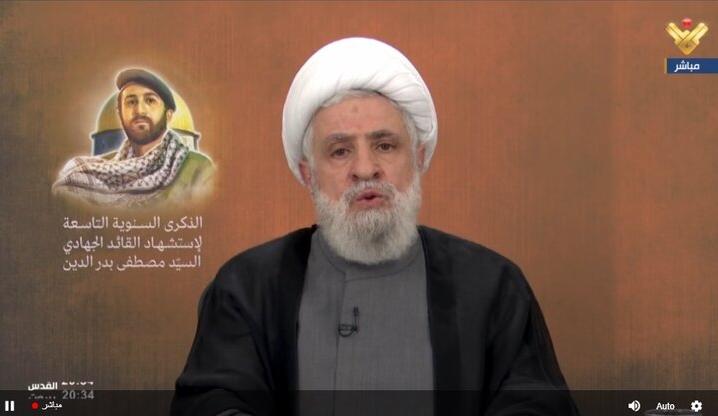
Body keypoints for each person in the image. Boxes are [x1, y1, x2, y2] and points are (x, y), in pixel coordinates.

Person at [171, 38, 579, 416]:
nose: (365, 169)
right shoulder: (247, 288)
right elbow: (213, 403)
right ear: (308, 173)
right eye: (340, 151)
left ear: (418, 157)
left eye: (385, 145)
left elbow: (534, 404)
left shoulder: (491, 286)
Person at [53, 68, 214, 209]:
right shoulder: (96, 170)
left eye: (150, 100)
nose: (140, 110)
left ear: (169, 115)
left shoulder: (198, 169)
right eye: (131, 102)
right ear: (120, 113)